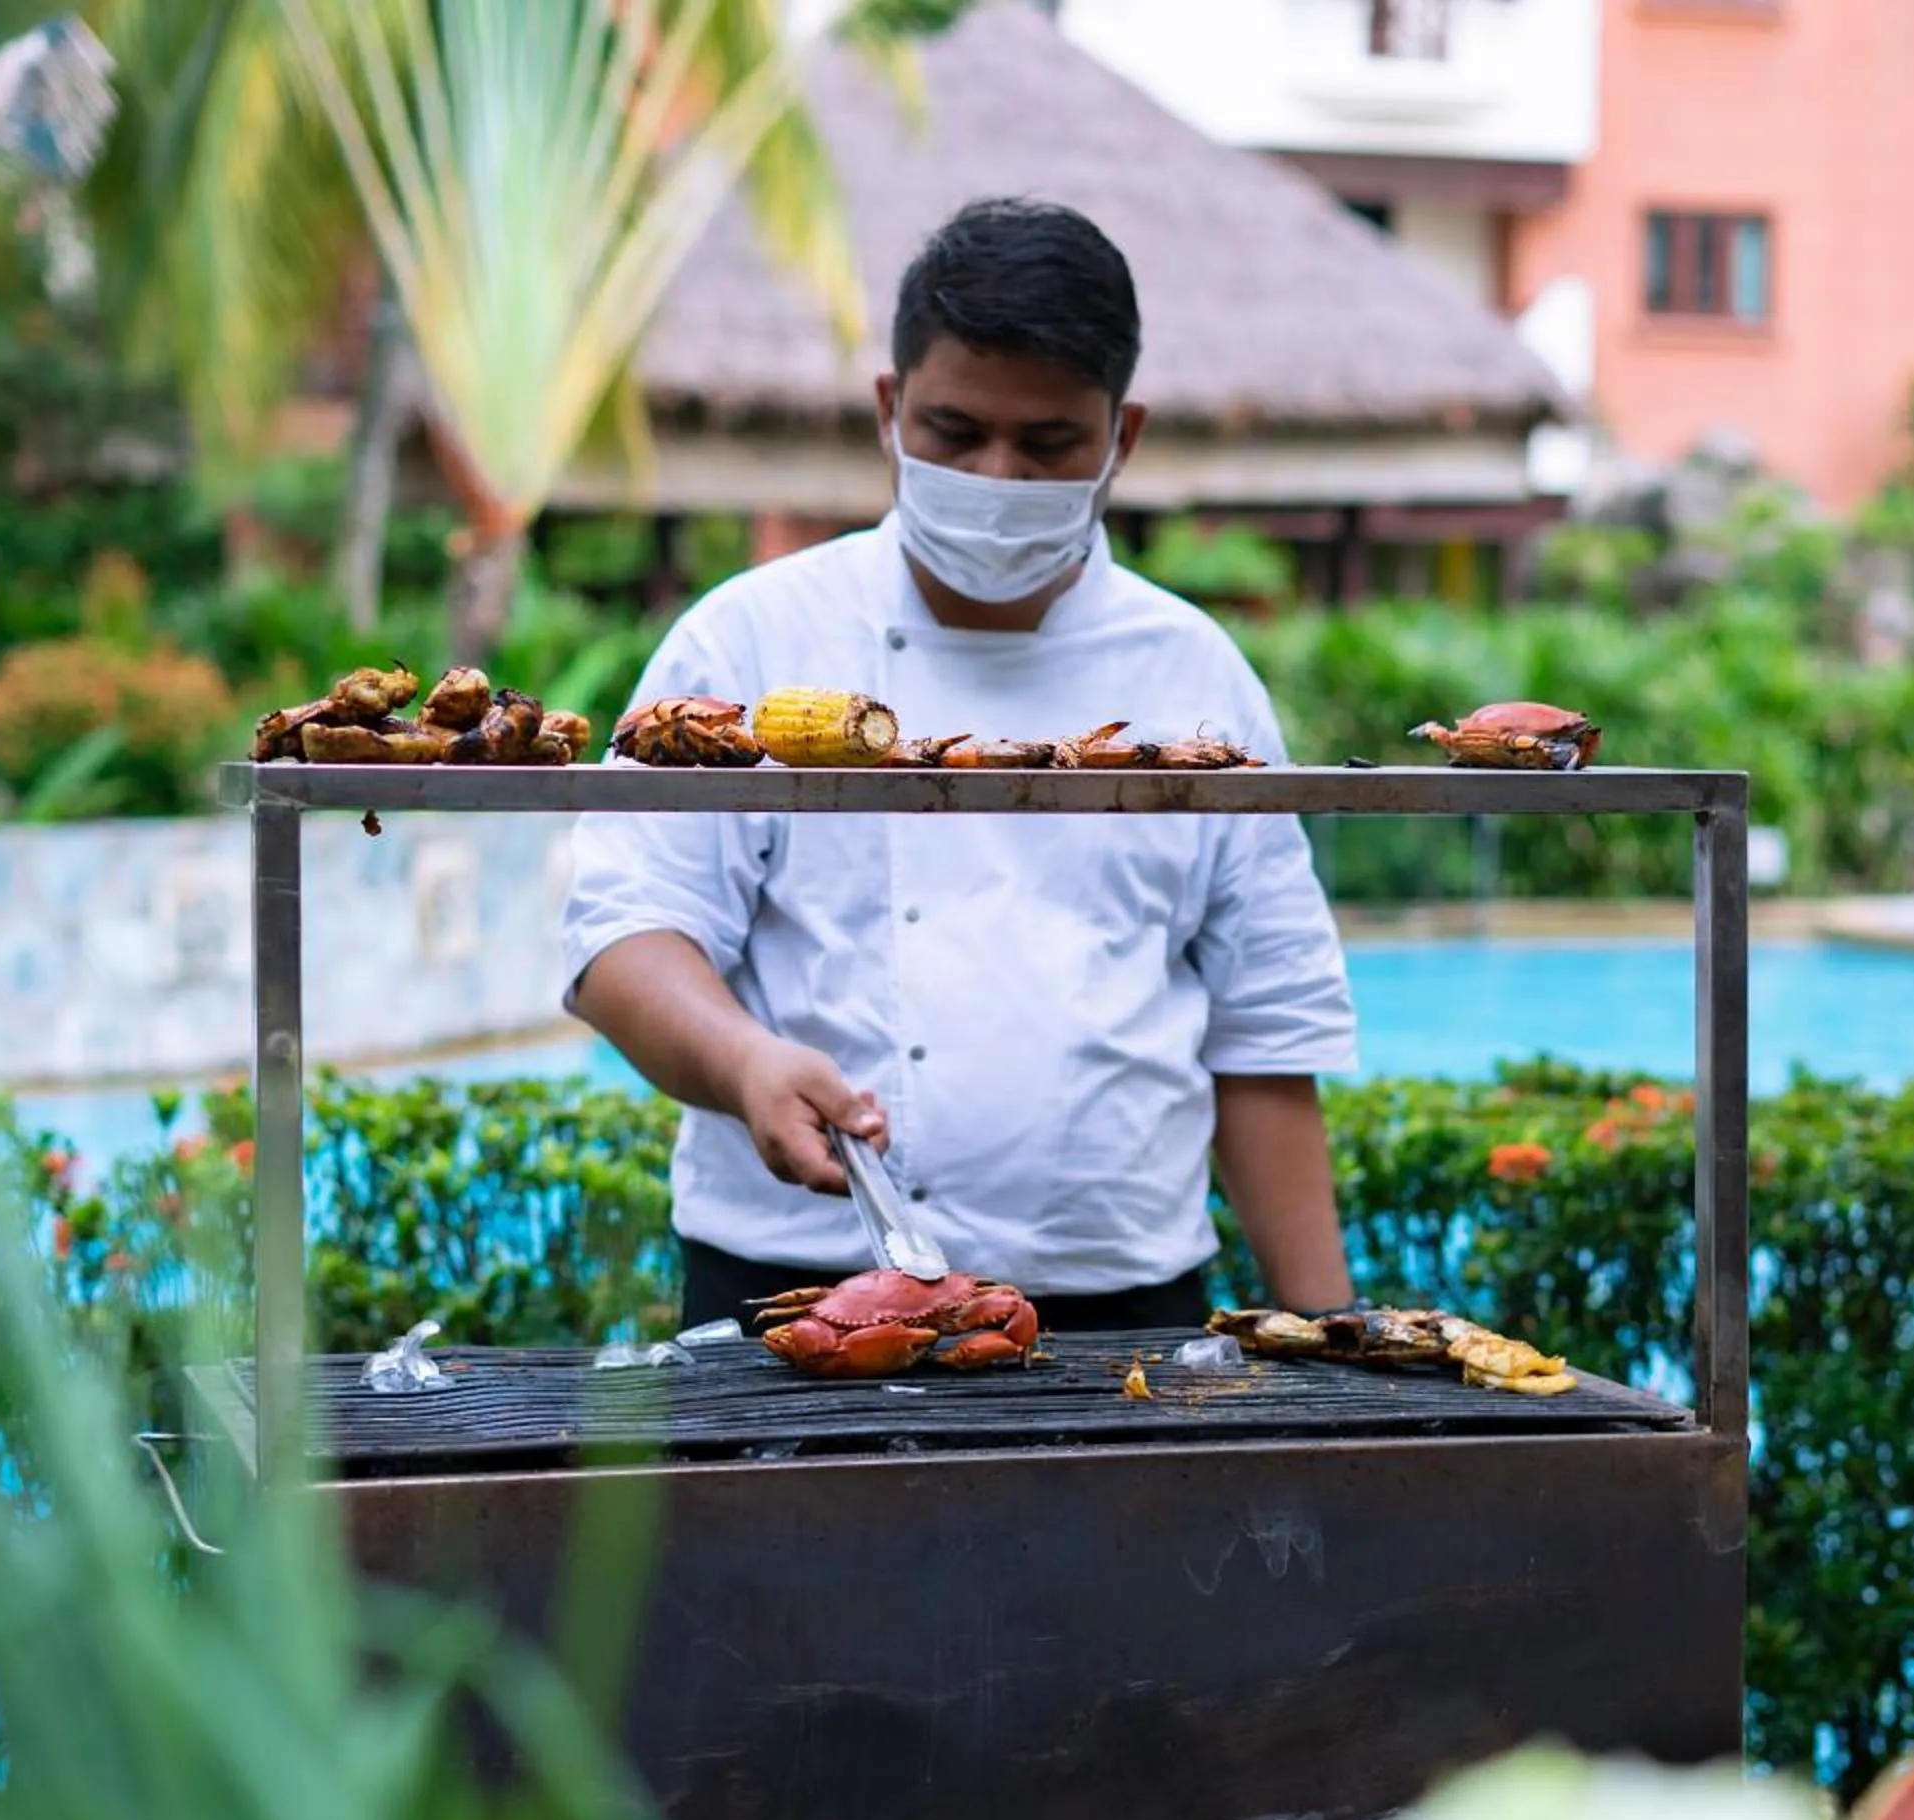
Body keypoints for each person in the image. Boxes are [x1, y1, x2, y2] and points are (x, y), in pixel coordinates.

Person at [558, 198, 1360, 1339]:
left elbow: (1265, 1034)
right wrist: (743, 1063)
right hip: (796, 1285)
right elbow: (624, 934)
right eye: (953, 430)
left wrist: (1333, 1344)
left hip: (1120, 1303)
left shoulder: (1197, 680)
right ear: (890, 411)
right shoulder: (746, 640)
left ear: (1121, 440)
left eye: (1046, 445)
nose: (995, 472)